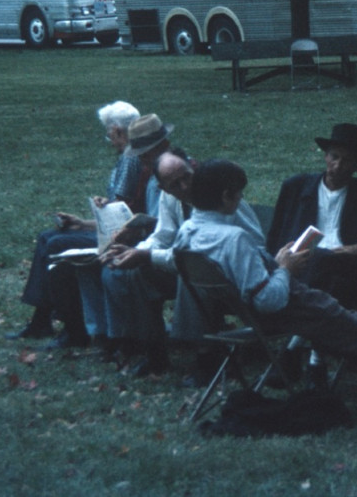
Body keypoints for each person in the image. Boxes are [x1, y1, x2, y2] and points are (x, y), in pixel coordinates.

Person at [173, 159, 357, 404]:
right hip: (287, 310)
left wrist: (277, 263)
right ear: (226, 195)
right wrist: (284, 267)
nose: (240, 201)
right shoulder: (232, 238)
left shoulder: (188, 233)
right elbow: (268, 300)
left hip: (262, 307)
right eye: (238, 195)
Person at [99, 150, 264, 378]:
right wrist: (137, 251)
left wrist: (147, 256)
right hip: (192, 262)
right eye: (175, 184)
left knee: (194, 272)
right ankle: (154, 350)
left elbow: (244, 244)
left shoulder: (218, 194)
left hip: (232, 269)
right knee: (138, 272)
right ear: (163, 188)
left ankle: (207, 356)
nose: (185, 186)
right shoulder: (170, 198)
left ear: (193, 166)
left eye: (187, 177)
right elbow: (163, 234)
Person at [5, 101, 146, 346]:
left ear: (119, 132)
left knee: (56, 245)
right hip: (117, 231)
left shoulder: (130, 159)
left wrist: (88, 225)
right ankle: (42, 320)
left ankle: (73, 328)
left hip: (124, 238)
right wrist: (81, 223)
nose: (109, 141)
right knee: (48, 238)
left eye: (109, 134)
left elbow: (120, 217)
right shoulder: (129, 157)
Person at [266, 123, 357, 316]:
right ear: (326, 156)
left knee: (326, 263)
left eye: (347, 160)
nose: (338, 166)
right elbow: (276, 233)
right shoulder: (297, 187)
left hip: (347, 272)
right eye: (334, 157)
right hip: (299, 266)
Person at [74, 113, 173, 348]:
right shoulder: (152, 177)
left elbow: (171, 231)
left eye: (147, 156)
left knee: (116, 270)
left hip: (171, 253)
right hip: (150, 242)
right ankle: (109, 335)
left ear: (164, 146)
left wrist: (138, 246)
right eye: (143, 159)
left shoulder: (176, 175)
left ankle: (130, 341)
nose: (145, 164)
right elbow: (156, 227)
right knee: (99, 262)